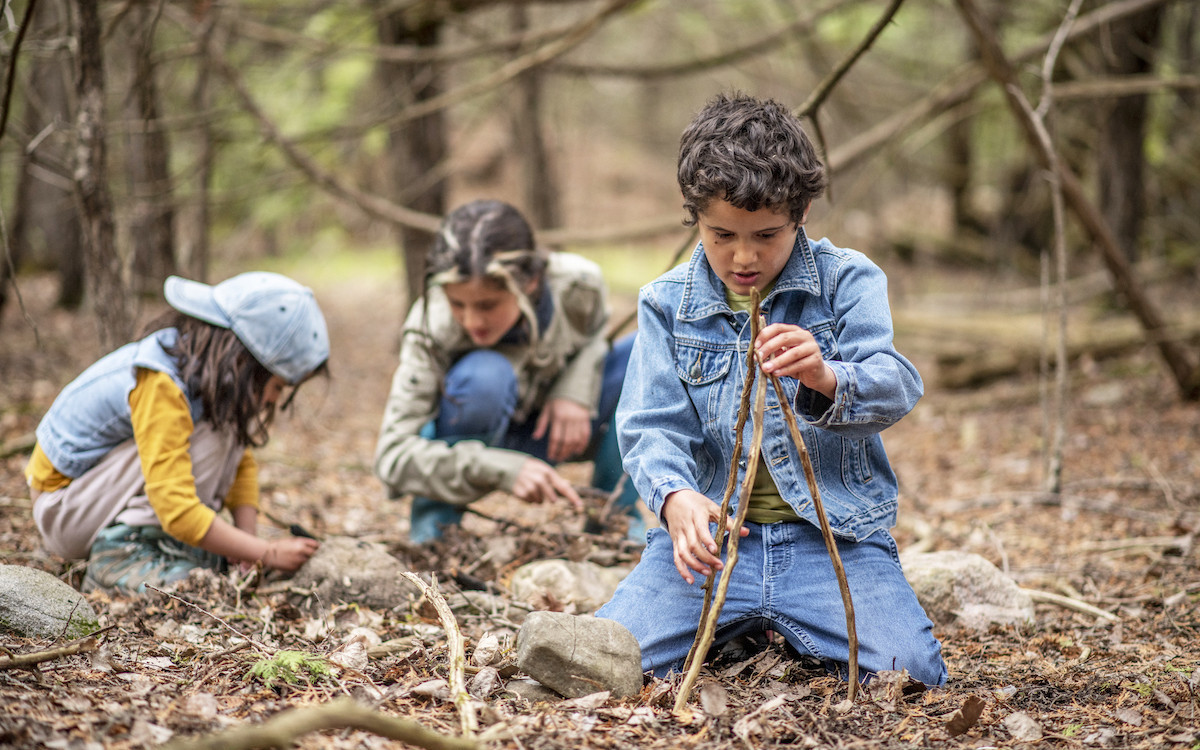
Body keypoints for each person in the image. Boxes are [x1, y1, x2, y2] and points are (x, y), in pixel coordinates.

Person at [595, 93, 947, 686]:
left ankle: (777, 622)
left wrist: (826, 377)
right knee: (610, 662)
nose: (744, 256)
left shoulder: (847, 281)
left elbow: (895, 384)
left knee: (911, 673)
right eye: (721, 234)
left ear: (802, 211)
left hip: (831, 542)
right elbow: (650, 425)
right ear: (694, 216)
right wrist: (675, 498)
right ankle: (744, 626)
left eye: (765, 234)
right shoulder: (666, 303)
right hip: (714, 547)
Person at [27, 271, 328, 593]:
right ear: (245, 365)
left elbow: (241, 462)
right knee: (214, 433)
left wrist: (248, 549)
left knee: (227, 426)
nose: (273, 400)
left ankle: (158, 544)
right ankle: (120, 556)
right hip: (63, 509)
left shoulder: (198, 374)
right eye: (277, 386)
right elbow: (174, 505)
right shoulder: (162, 384)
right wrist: (267, 553)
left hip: (93, 499)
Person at [374, 199, 643, 544]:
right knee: (485, 376)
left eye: (487, 305)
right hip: (476, 440)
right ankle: (436, 527)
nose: (471, 321)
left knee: (645, 350)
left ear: (531, 280)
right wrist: (502, 468)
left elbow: (594, 339)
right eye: (457, 303)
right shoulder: (431, 325)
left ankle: (614, 518)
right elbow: (392, 457)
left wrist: (574, 390)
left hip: (554, 430)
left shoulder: (579, 284)